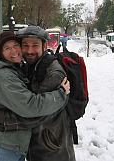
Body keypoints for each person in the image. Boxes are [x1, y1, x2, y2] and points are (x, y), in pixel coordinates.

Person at [0, 31, 70, 161]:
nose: (13, 51)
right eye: (7, 48)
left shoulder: (17, 70)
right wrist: (61, 94)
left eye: (15, 45)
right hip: (2, 149)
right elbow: (30, 106)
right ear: (0, 54)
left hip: (14, 147)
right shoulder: (6, 77)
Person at [17, 26, 76, 161]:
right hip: (39, 143)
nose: (29, 50)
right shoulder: (32, 66)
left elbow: (35, 111)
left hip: (53, 146)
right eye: (25, 45)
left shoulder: (53, 72)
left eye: (35, 45)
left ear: (44, 46)